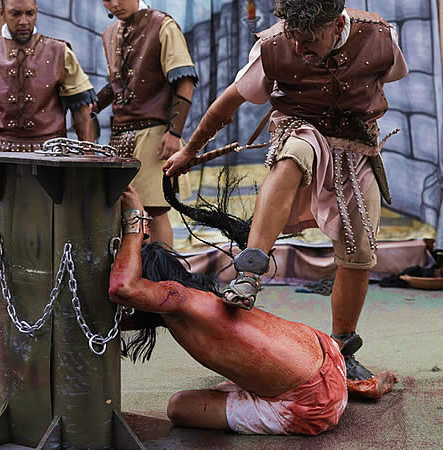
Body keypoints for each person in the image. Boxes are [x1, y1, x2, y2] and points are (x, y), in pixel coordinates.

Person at [164, 0, 407, 387]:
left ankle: (343, 346)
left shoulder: (379, 37)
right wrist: (189, 151)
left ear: (337, 22)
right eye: (292, 34)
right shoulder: (273, 47)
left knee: (359, 252)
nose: (298, 46)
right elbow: (230, 101)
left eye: (309, 38)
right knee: (297, 150)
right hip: (299, 129)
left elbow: (388, 75)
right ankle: (250, 270)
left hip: (355, 148)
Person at [108, 187, 397, 435]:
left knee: (180, 407)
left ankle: (340, 392)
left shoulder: (178, 299)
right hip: (329, 356)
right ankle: (352, 387)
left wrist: (136, 218)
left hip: (314, 404)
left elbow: (123, 288)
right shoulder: (201, 299)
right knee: (228, 384)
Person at [0, 0, 96, 197]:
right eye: (16, 14)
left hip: (51, 158)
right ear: (2, 12)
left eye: (29, 13)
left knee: (49, 225)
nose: (24, 21)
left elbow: (82, 112)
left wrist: (91, 160)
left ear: (36, 11)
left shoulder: (59, 52)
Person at [96, 0, 197, 247]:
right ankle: (138, 278)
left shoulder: (163, 25)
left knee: (154, 211)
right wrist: (93, 104)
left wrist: (174, 132)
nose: (114, 4)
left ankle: (161, 280)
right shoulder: (109, 33)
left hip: (155, 135)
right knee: (129, 214)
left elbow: (184, 80)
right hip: (120, 137)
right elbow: (121, 82)